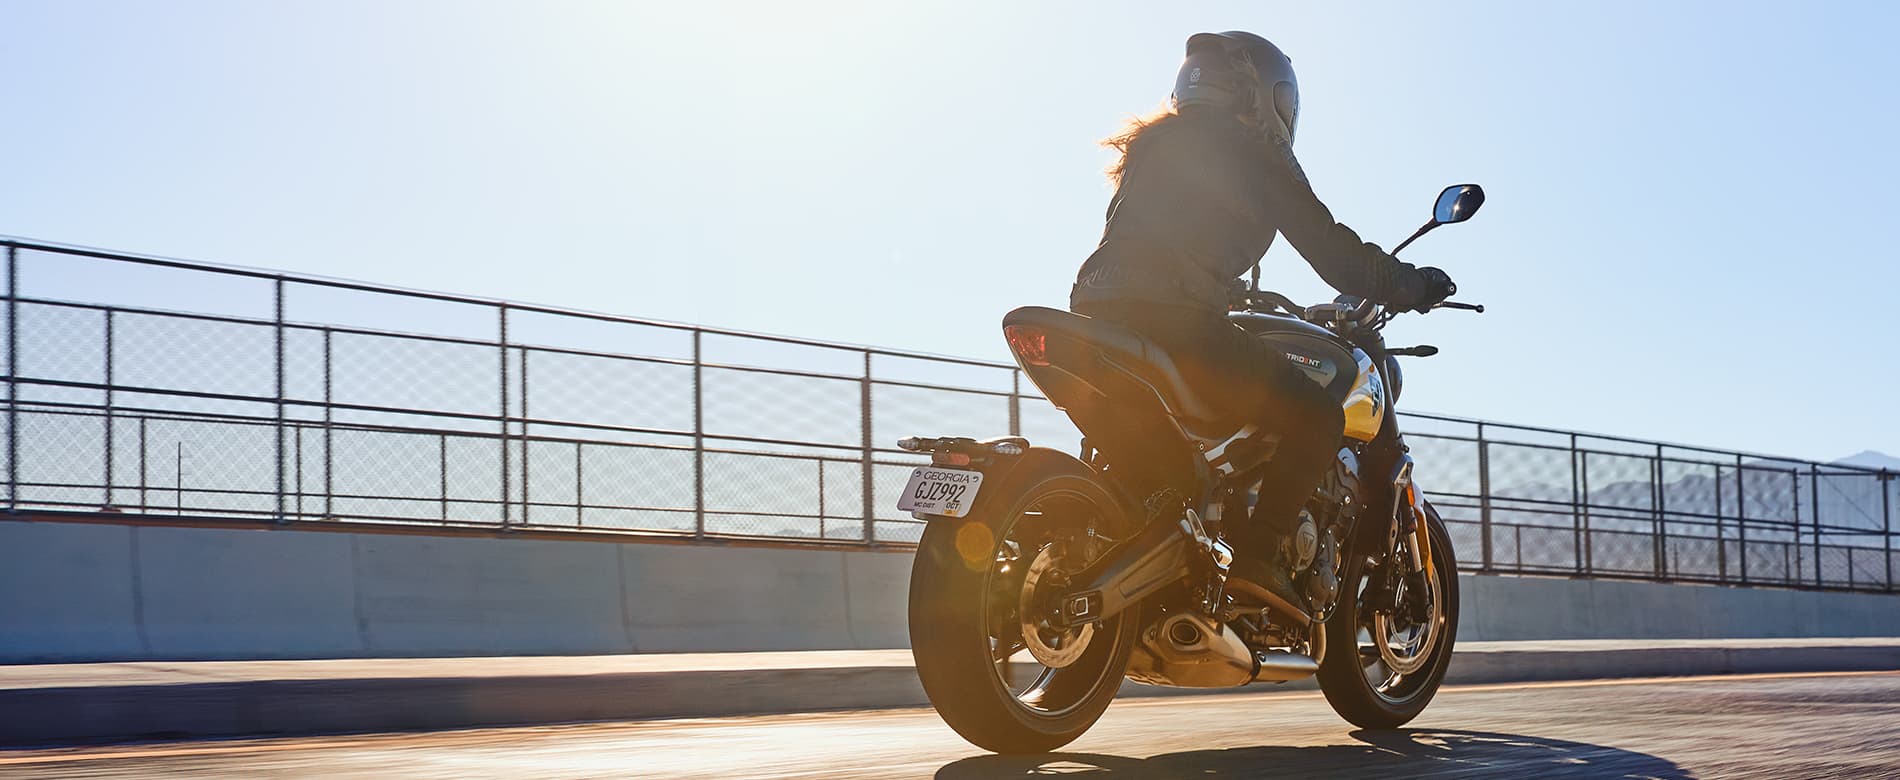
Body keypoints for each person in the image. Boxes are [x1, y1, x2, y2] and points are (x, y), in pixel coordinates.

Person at [1069, 31, 1455, 605]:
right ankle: (1258, 559)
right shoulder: (1254, 150)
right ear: (1266, 96)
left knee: (1178, 464)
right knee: (1314, 416)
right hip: (1177, 323)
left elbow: (1164, 240)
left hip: (1095, 312)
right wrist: (1412, 284)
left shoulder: (1149, 147)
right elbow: (1335, 254)